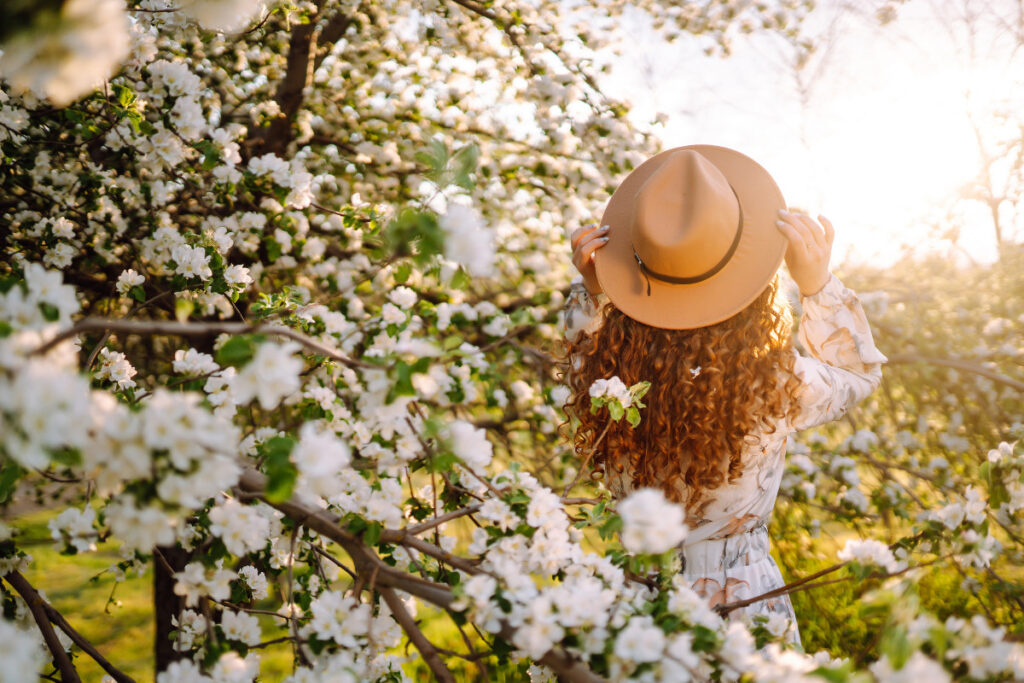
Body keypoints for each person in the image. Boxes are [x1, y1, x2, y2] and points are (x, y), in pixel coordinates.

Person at [561, 144, 888, 648]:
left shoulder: (607, 375)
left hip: (631, 600)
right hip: (741, 600)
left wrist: (593, 289)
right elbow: (856, 373)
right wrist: (817, 283)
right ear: (752, 284)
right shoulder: (773, 382)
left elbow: (581, 349)